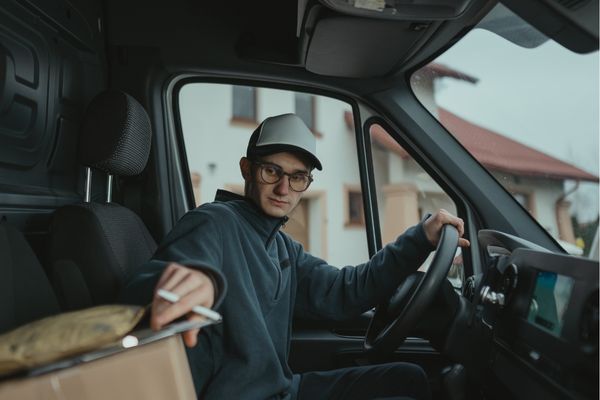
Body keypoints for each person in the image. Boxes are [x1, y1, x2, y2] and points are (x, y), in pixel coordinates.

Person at [123, 113, 470, 399]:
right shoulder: (213, 222)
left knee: (408, 378)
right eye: (272, 171)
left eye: (298, 177)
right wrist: (196, 281)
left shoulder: (283, 248)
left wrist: (420, 239)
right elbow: (158, 282)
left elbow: (345, 292)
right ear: (247, 169)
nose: (283, 188)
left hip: (283, 389)